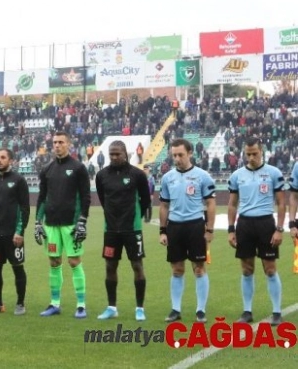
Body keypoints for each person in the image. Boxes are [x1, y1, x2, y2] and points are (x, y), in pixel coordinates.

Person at [159, 138, 215, 323]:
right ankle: (176, 309)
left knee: (199, 268)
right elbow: (164, 206)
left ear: (190, 153)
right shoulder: (168, 178)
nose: (177, 158)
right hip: (175, 227)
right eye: (174, 155)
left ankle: (200, 310)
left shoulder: (202, 176)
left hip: (195, 226)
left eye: (180, 155)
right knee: (177, 269)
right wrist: (163, 230)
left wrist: (209, 229)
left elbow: (210, 203)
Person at [229, 137, 285, 325]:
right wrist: (231, 229)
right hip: (244, 224)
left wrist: (279, 229)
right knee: (246, 269)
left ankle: (277, 311)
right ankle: (247, 311)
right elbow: (232, 204)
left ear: (262, 151)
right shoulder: (237, 175)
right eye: (248, 154)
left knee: (269, 269)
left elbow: (281, 203)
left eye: (255, 153)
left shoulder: (273, 173)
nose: (251, 157)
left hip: (265, 224)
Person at [35, 131, 90, 318]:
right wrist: (37, 222)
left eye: (61, 142)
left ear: (69, 144)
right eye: (55, 142)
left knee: (74, 261)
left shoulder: (78, 168)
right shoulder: (47, 169)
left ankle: (81, 305)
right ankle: (54, 303)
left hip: (71, 224)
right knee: (54, 262)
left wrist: (82, 220)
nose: (57, 145)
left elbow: (86, 197)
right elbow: (42, 198)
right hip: (51, 224)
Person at [95, 141, 151, 321]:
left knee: (137, 266)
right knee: (110, 266)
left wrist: (134, 216)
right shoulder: (101, 175)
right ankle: (112, 307)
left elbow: (145, 201)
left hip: (132, 229)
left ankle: (139, 308)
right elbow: (103, 199)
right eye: (111, 154)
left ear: (125, 153)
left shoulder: (137, 174)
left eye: (117, 154)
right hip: (110, 230)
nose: (114, 157)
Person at [0, 148, 30, 315]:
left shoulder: (19, 180)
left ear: (11, 160)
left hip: (13, 235)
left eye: (3, 157)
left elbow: (24, 208)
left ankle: (20, 303)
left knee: (17, 268)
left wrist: (20, 231)